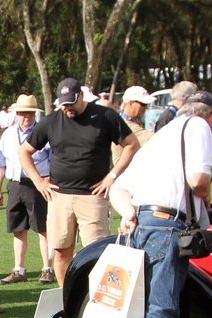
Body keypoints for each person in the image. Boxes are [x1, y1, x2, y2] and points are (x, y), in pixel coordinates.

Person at [108, 91, 212, 318]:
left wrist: (129, 213)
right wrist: (207, 198)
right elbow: (198, 179)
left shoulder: (161, 135)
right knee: (162, 306)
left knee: (151, 304)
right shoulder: (199, 126)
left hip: (145, 220)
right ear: (209, 115)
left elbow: (119, 189)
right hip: (167, 224)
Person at [22, 77, 140, 288]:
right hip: (59, 197)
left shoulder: (105, 116)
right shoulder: (51, 121)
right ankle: (66, 298)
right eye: (64, 103)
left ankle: (94, 298)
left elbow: (131, 144)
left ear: (82, 96)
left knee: (97, 252)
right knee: (60, 251)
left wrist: (112, 176)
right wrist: (38, 181)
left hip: (93, 197)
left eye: (72, 102)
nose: (68, 108)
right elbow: (24, 151)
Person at [0, 95, 52, 285]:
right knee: (18, 229)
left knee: (42, 229)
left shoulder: (44, 133)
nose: (25, 116)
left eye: (28, 112)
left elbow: (55, 160)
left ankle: (47, 269)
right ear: (16, 114)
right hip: (15, 184)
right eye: (21, 113)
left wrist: (48, 180)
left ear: (35, 113)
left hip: (38, 184)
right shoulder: (8, 134)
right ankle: (19, 269)